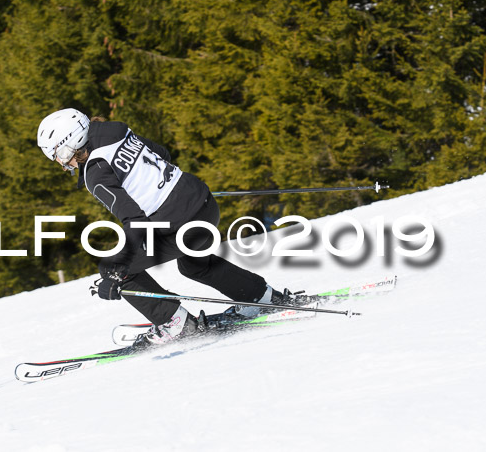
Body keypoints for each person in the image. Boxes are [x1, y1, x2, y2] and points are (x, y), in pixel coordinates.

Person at [37, 108, 295, 345]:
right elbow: (163, 154)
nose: (63, 164)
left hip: (181, 224)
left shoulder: (95, 174)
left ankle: (176, 324)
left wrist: (116, 273)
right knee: (195, 264)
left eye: (60, 157)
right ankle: (260, 298)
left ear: (70, 144)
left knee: (112, 267)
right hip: (203, 204)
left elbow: (135, 221)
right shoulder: (116, 130)